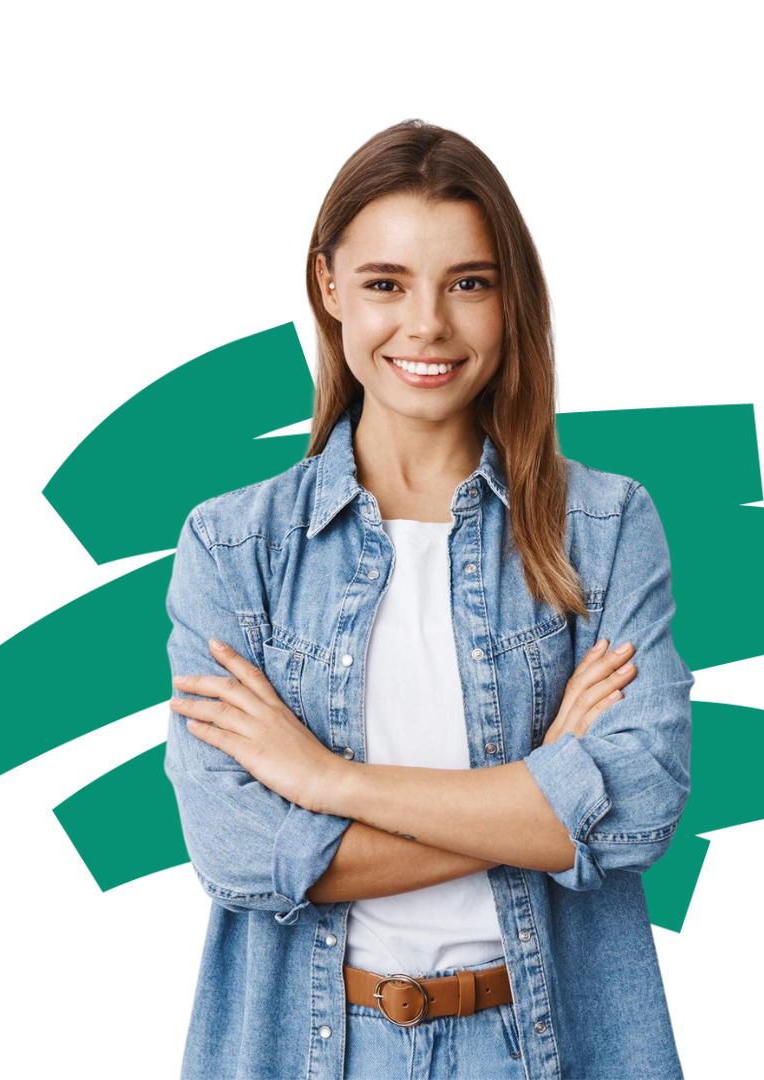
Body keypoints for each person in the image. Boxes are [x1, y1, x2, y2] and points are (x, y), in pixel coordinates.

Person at [163, 117, 694, 1079]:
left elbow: (641, 807)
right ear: (328, 286)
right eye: (385, 284)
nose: (428, 327)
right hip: (311, 1048)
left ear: (510, 296)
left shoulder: (607, 528)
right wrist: (543, 793)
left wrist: (328, 785)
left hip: (546, 1045)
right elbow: (237, 855)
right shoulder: (232, 549)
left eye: (468, 283)